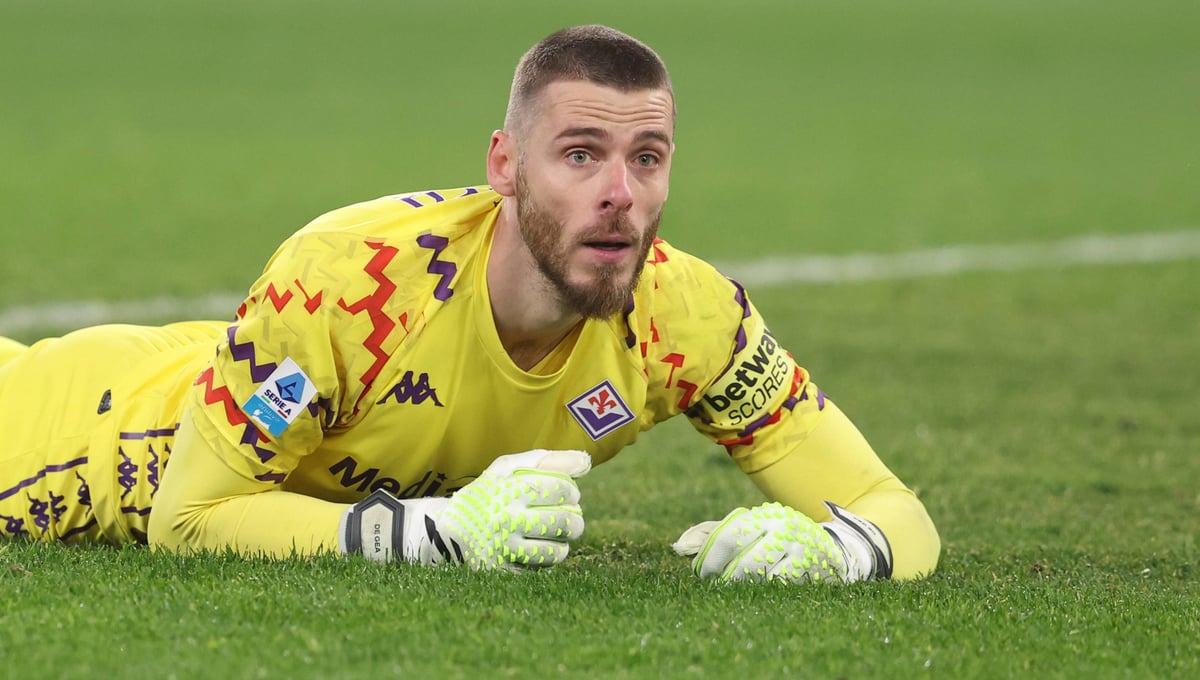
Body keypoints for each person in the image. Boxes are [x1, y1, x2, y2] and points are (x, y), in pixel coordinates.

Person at [0, 25, 939, 583]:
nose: (621, 194)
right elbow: (190, 519)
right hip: (56, 435)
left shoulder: (686, 320)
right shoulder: (348, 280)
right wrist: (431, 535)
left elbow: (891, 508)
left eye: (647, 158)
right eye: (581, 155)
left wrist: (844, 553)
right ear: (505, 166)